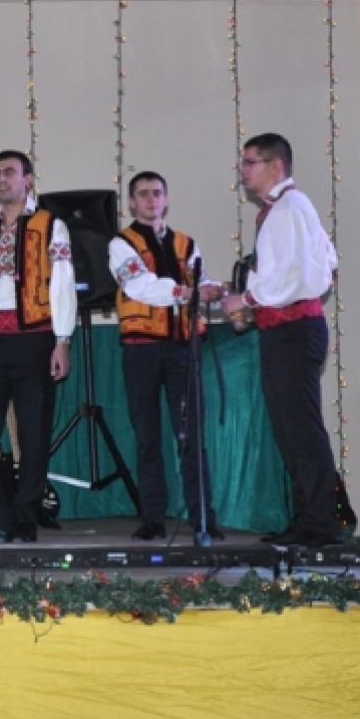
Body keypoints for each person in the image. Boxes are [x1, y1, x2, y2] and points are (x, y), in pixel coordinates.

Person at [220, 133, 344, 547]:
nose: (243, 170)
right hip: (286, 330)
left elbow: (299, 275)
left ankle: (319, 522)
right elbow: (327, 260)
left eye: (250, 162)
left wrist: (247, 298)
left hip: (293, 330)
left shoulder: (290, 207)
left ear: (276, 165)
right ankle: (309, 518)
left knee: (301, 428)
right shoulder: (287, 209)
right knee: (291, 428)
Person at [0, 150, 76, 543]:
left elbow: (63, 282)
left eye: (9, 171)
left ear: (27, 179)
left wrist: (62, 340)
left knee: (33, 431)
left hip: (34, 338)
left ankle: (24, 516)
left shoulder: (50, 225)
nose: (1, 178)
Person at [108, 171, 225, 542]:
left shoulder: (186, 243)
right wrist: (188, 293)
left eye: (157, 193)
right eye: (143, 194)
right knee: (147, 436)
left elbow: (199, 283)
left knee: (191, 436)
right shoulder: (121, 243)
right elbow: (139, 287)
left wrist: (213, 290)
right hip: (141, 348)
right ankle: (153, 518)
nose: (151, 200)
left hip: (182, 348)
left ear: (166, 198)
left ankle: (202, 517)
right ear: (131, 202)